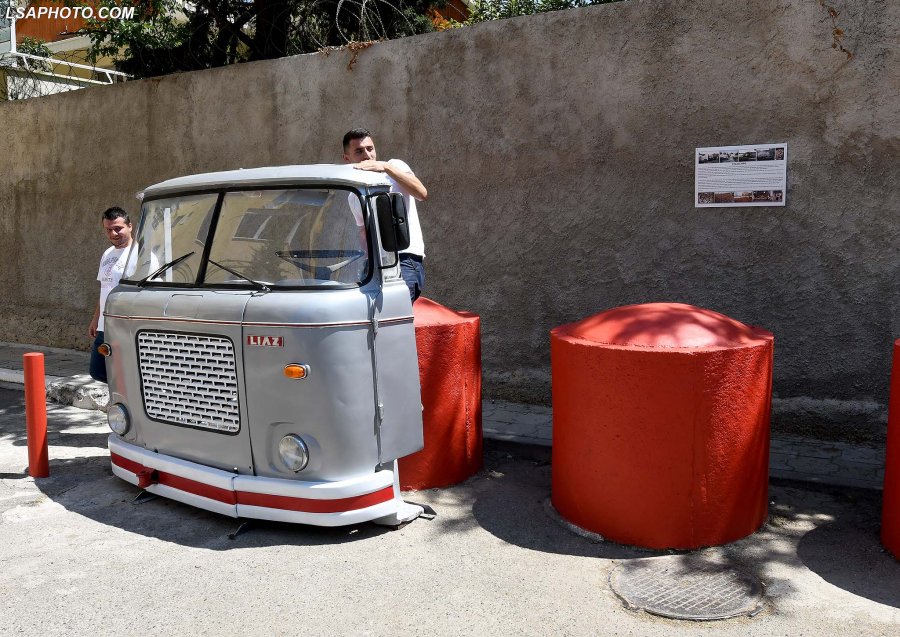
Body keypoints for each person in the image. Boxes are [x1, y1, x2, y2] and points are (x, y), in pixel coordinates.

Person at [342, 128, 428, 302]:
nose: (367, 155)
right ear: (347, 158)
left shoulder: (394, 167)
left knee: (395, 310)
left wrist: (387, 167)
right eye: (359, 151)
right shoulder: (353, 195)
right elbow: (363, 232)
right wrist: (365, 263)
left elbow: (421, 193)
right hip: (374, 266)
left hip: (404, 259)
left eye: (370, 149)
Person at [89, 207, 135, 383]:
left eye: (118, 228)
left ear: (130, 226)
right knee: (98, 371)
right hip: (104, 324)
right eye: (108, 229)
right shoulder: (107, 253)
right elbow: (105, 288)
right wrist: (96, 319)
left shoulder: (140, 254)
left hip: (124, 325)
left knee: (123, 372)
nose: (113, 234)